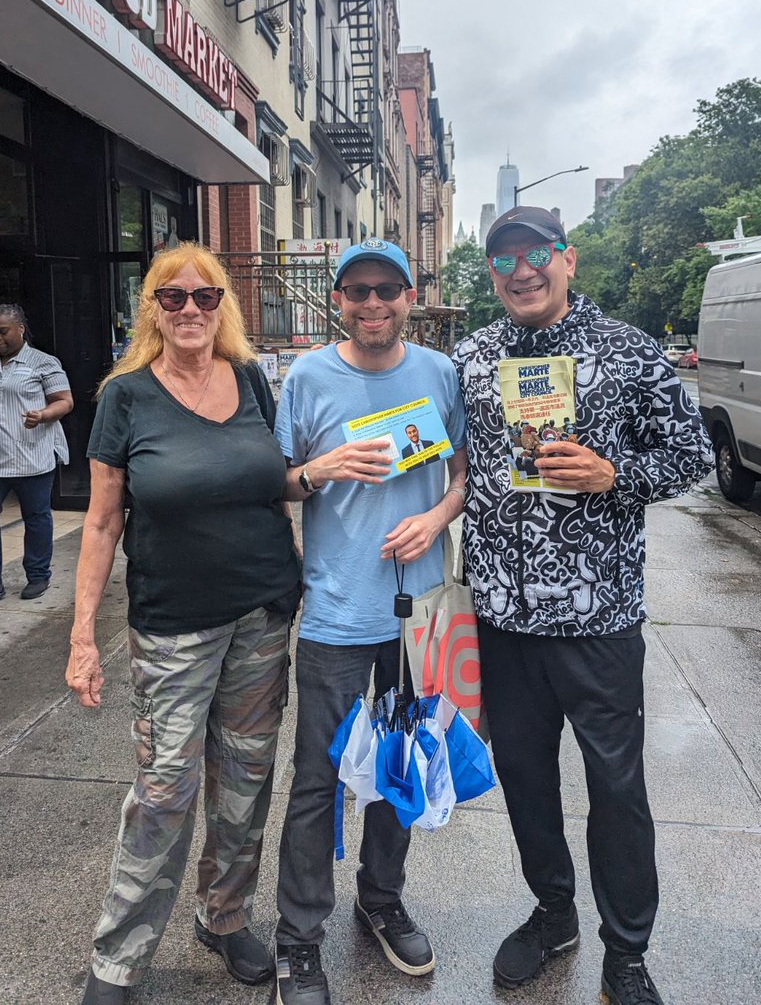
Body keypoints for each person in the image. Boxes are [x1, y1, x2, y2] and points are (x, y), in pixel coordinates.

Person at [452, 206, 713, 1005]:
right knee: (524, 778)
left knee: (615, 788)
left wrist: (613, 475)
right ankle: (551, 913)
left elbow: (690, 455)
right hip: (500, 617)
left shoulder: (629, 351)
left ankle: (626, 949)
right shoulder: (468, 357)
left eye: (536, 255)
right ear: (492, 275)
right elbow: (441, 455)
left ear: (567, 260)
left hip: (597, 617)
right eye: (503, 261)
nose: (520, 271)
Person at [65, 243, 301, 1004]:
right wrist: (80, 639)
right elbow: (101, 525)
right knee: (164, 790)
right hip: (173, 629)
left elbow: (273, 483)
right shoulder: (125, 397)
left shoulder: (253, 380)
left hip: (261, 616)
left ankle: (223, 916)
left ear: (222, 304)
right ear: (153, 310)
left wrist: (323, 473)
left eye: (205, 296)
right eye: (174, 297)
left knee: (245, 779)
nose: (191, 309)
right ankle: (119, 957)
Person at [272, 239, 467, 1005]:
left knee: (399, 766)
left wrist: (437, 516)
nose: (373, 303)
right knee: (317, 781)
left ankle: (380, 899)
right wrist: (315, 471)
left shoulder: (439, 374)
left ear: (409, 296)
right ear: (338, 300)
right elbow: (278, 480)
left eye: (388, 289)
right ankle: (298, 939)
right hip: (334, 614)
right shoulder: (308, 376)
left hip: (416, 616)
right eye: (357, 290)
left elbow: (463, 474)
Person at [0, 304, 73, 609]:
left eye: (3, 331)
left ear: (20, 328)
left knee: (36, 517)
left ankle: (37, 575)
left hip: (31, 455)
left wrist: (44, 414)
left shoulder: (43, 363)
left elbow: (65, 401)